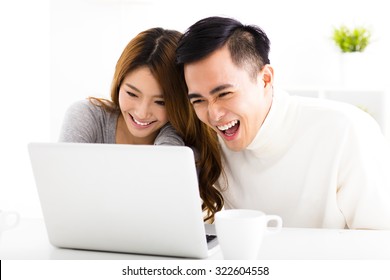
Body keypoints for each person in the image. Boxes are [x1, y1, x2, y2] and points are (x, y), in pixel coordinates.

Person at [176, 16, 390, 229]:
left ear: (265, 79)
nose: (213, 114)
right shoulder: (212, 143)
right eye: (198, 100)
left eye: (224, 94)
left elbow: (378, 244)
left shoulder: (347, 130)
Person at [59, 27, 223, 222]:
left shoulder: (182, 145)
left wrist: (172, 136)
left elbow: (160, 216)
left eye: (161, 102)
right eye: (132, 94)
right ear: (119, 83)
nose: (142, 112)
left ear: (180, 102)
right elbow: (64, 199)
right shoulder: (87, 117)